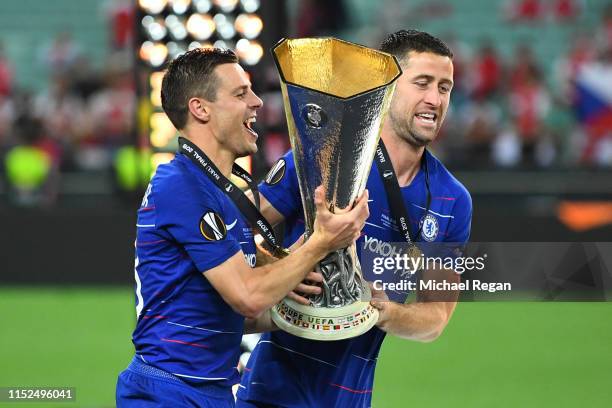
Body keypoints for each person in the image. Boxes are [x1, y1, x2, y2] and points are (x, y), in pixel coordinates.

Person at [115, 48, 370, 407]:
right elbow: (246, 297)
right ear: (200, 108)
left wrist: (323, 308)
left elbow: (231, 317)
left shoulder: (219, 190)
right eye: (240, 93)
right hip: (168, 391)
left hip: (212, 391)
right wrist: (321, 243)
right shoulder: (180, 185)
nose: (256, 102)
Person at [236, 29, 473, 408]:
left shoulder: (453, 200)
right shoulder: (324, 157)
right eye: (423, 83)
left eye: (444, 87)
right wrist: (279, 266)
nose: (435, 99)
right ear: (388, 87)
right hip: (270, 393)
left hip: (351, 398)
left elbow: (436, 317)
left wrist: (386, 311)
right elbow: (235, 225)